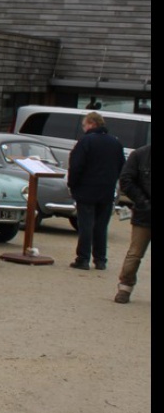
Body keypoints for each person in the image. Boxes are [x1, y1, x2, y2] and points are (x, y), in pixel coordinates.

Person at [66, 110, 126, 270]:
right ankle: (100, 260)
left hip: (86, 190)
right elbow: (122, 166)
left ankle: (83, 259)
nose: (83, 128)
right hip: (106, 191)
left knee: (86, 225)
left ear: (92, 124)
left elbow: (76, 166)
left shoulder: (85, 142)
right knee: (101, 226)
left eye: (84, 125)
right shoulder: (115, 142)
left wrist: (72, 185)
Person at [114, 144, 151, 303]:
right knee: (135, 253)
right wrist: (143, 201)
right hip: (145, 213)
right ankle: (125, 287)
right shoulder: (140, 155)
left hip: (144, 210)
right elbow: (126, 180)